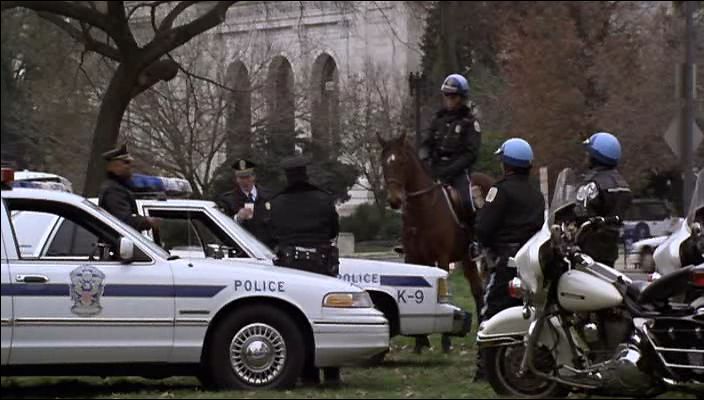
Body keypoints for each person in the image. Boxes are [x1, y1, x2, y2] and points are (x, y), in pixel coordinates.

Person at [473, 138, 545, 382]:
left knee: (491, 311)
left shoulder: (499, 190)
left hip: (504, 262)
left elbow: (483, 228)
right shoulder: (537, 195)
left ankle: (485, 367)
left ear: (507, 164)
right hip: (530, 263)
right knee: (526, 312)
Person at [269, 155, 341, 385]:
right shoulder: (323, 198)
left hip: (290, 266)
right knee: (328, 317)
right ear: (306, 173)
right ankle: (332, 372)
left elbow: (273, 233)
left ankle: (307, 373)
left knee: (297, 318)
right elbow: (333, 230)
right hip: (321, 263)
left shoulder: (277, 202)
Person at [418, 73, 482, 221]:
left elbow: (471, 154)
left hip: (458, 173)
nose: (449, 100)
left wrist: (450, 170)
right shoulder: (437, 119)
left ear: (462, 98)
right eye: (446, 96)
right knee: (414, 199)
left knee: (467, 202)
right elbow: (427, 143)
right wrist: (424, 157)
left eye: (453, 96)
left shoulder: (470, 122)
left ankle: (473, 238)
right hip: (435, 169)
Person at [575, 132, 632, 267]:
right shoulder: (623, 184)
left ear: (596, 156)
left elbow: (580, 212)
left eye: (588, 153)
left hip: (588, 249)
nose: (586, 156)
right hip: (610, 250)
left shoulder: (592, 184)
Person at [98, 143, 158, 232]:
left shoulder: (119, 186)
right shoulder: (113, 190)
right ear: (114, 166)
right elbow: (124, 221)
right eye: (126, 163)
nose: (130, 166)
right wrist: (147, 221)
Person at [216, 159, 275, 248]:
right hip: (242, 250)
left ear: (253, 177)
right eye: (241, 178)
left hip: (267, 248)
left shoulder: (268, 196)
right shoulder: (228, 200)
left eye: (247, 177)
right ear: (236, 179)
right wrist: (237, 218)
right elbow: (222, 227)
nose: (245, 181)